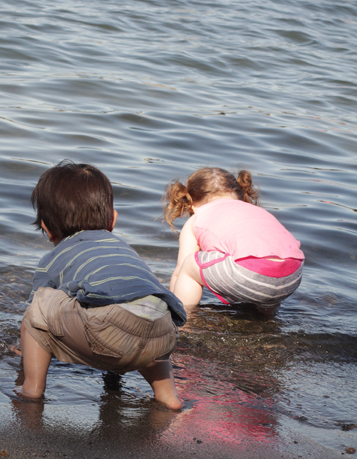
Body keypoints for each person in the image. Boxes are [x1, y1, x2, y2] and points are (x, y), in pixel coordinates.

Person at [17, 161, 186, 410]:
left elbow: (38, 314)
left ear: (46, 227)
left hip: (108, 330)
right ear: (113, 219)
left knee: (38, 309)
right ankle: (167, 395)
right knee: (145, 307)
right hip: (163, 331)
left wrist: (23, 346)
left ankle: (31, 388)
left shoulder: (53, 259)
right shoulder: (125, 251)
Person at [164, 167, 304, 309]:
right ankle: (265, 316)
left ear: (191, 204)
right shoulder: (257, 211)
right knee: (261, 260)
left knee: (188, 265)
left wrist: (171, 298)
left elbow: (179, 271)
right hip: (292, 275)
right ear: (240, 195)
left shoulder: (196, 218)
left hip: (251, 275)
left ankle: (183, 316)